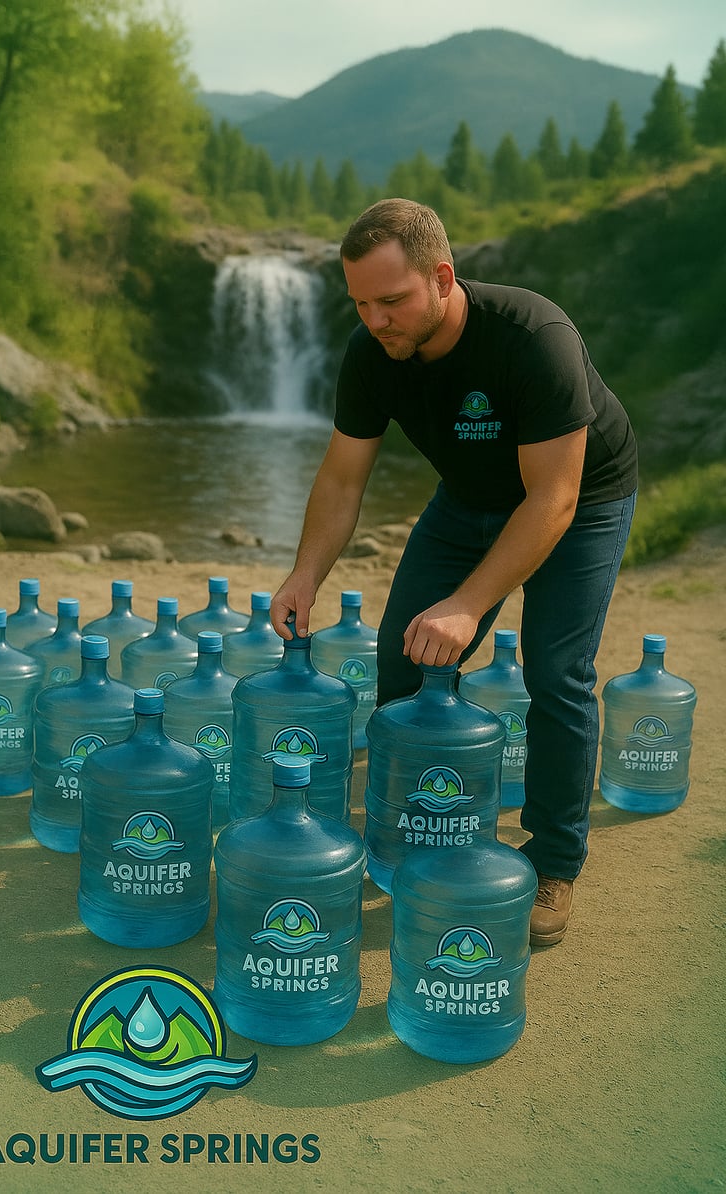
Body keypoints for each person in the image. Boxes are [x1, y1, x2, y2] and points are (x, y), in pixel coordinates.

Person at [271, 198, 637, 947]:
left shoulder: (533, 338)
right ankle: (419, 830)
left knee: (558, 671)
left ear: (442, 277)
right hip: (467, 499)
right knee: (405, 655)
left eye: (392, 300)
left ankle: (556, 861)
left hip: (578, 499)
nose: (376, 321)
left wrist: (470, 605)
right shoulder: (371, 352)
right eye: (361, 303)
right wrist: (304, 573)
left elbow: (553, 499)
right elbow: (343, 480)